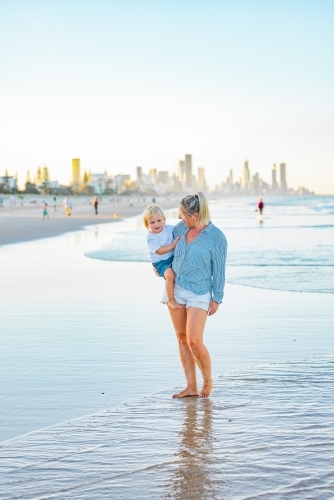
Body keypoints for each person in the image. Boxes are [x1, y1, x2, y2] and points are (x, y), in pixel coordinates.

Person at [163, 192, 227, 399]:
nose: (181, 219)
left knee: (194, 341)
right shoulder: (180, 229)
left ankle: (208, 380)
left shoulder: (217, 237)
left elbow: (219, 270)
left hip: (200, 292)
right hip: (176, 289)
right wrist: (162, 268)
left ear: (197, 214)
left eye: (184, 215)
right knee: (181, 339)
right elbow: (164, 251)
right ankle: (191, 386)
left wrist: (217, 297)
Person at [143, 205, 181, 309]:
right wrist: (173, 245)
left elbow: (182, 228)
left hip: (172, 258)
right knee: (170, 276)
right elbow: (159, 251)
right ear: (147, 224)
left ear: (164, 220)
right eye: (152, 222)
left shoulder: (170, 228)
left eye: (159, 220)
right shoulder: (151, 237)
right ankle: (171, 300)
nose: (156, 224)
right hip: (160, 262)